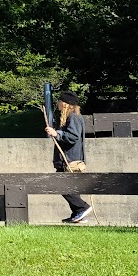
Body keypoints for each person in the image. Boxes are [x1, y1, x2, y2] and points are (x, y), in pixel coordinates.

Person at [47, 93, 91, 224]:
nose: (58, 103)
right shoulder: (70, 117)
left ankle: (82, 208)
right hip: (66, 159)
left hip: (70, 159)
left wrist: (57, 133)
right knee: (67, 187)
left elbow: (73, 137)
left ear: (65, 103)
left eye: (60, 101)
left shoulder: (73, 117)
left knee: (61, 185)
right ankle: (78, 213)